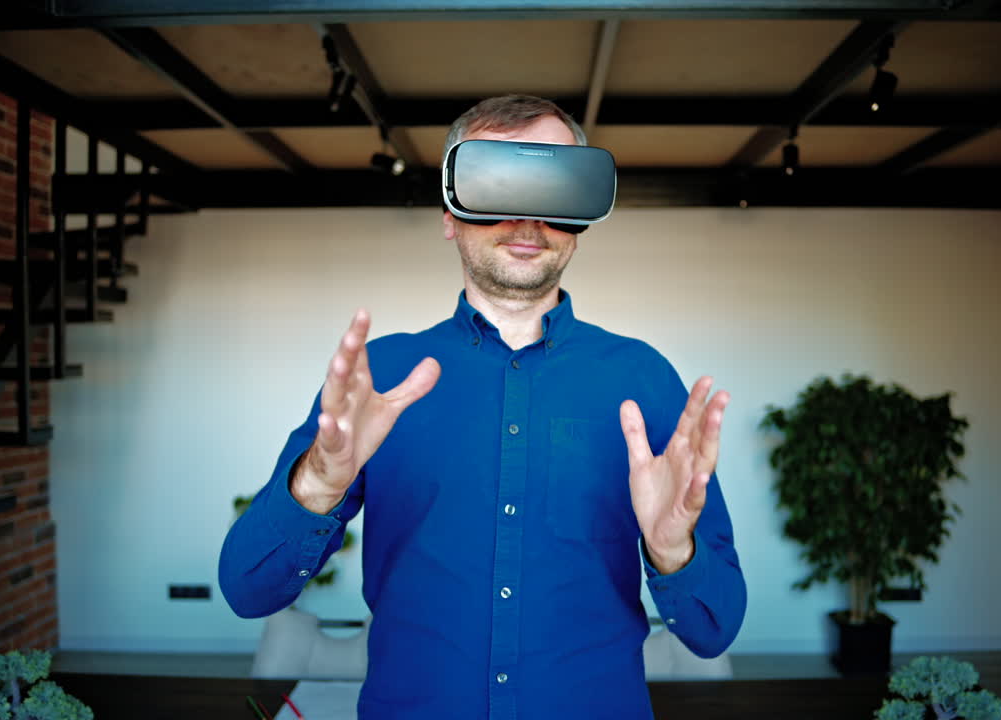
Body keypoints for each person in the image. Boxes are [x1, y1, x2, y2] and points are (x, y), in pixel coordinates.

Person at [219, 95, 746, 720]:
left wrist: (672, 553)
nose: (527, 221)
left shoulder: (645, 380)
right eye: (495, 186)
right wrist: (317, 484)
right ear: (450, 211)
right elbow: (247, 589)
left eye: (555, 190)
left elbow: (715, 631)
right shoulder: (380, 379)